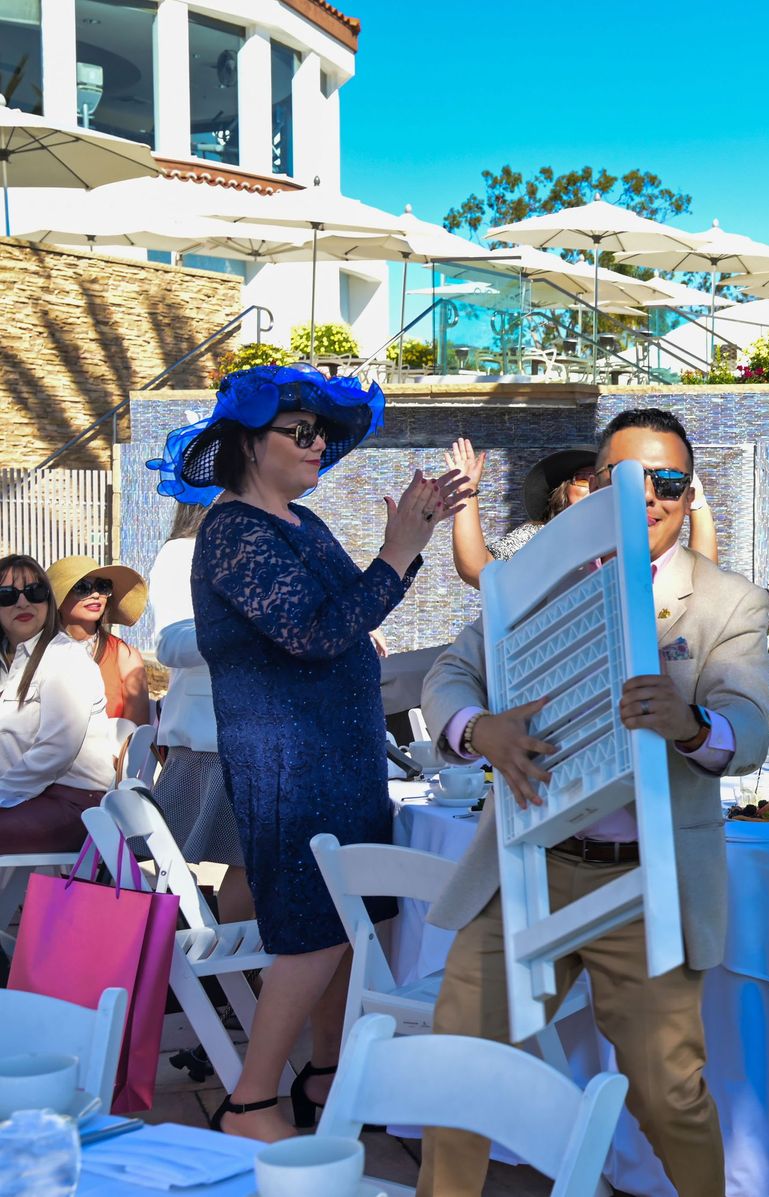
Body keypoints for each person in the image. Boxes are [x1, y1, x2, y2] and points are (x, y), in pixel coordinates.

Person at [416, 407, 769, 1197]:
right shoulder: (538, 579)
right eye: (627, 479)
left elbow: (749, 728)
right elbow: (451, 675)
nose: (648, 497)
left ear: (690, 493)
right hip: (524, 867)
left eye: (668, 482)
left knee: (669, 1096)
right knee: (459, 1072)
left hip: (647, 881)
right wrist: (480, 730)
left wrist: (692, 723)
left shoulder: (728, 602)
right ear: (593, 486)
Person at [146, 363, 468, 1142]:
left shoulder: (300, 522)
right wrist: (397, 549)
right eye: (300, 431)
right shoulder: (233, 531)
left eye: (322, 432)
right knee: (313, 928)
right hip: (291, 763)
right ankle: (251, 1102)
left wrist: (408, 548)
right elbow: (316, 633)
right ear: (249, 443)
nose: (318, 443)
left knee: (353, 923)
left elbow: (351, 613)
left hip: (341, 754)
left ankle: (325, 1076)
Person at [144, 500, 253, 924]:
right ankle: (233, 959)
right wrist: (251, 626)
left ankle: (236, 957)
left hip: (257, 737)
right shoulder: (181, 552)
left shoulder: (263, 547)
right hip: (211, 743)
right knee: (252, 864)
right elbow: (171, 645)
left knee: (259, 863)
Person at [444, 439, 720, 588]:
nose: (596, 488)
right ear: (564, 492)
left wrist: (695, 501)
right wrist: (466, 491)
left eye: (608, 479)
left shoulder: (637, 537)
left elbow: (701, 578)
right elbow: (478, 570)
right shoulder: (539, 537)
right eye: (585, 479)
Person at [0, 554, 119, 853]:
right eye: (7, 595)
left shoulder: (65, 657)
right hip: (26, 798)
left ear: (49, 600)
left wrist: (2, 793)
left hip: (74, 804)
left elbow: (57, 749)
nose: (23, 603)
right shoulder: (7, 661)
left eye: (35, 592)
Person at [45, 556, 150, 727]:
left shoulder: (125, 656)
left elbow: (135, 732)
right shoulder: (36, 652)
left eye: (102, 586)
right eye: (82, 588)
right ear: (59, 599)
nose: (95, 595)